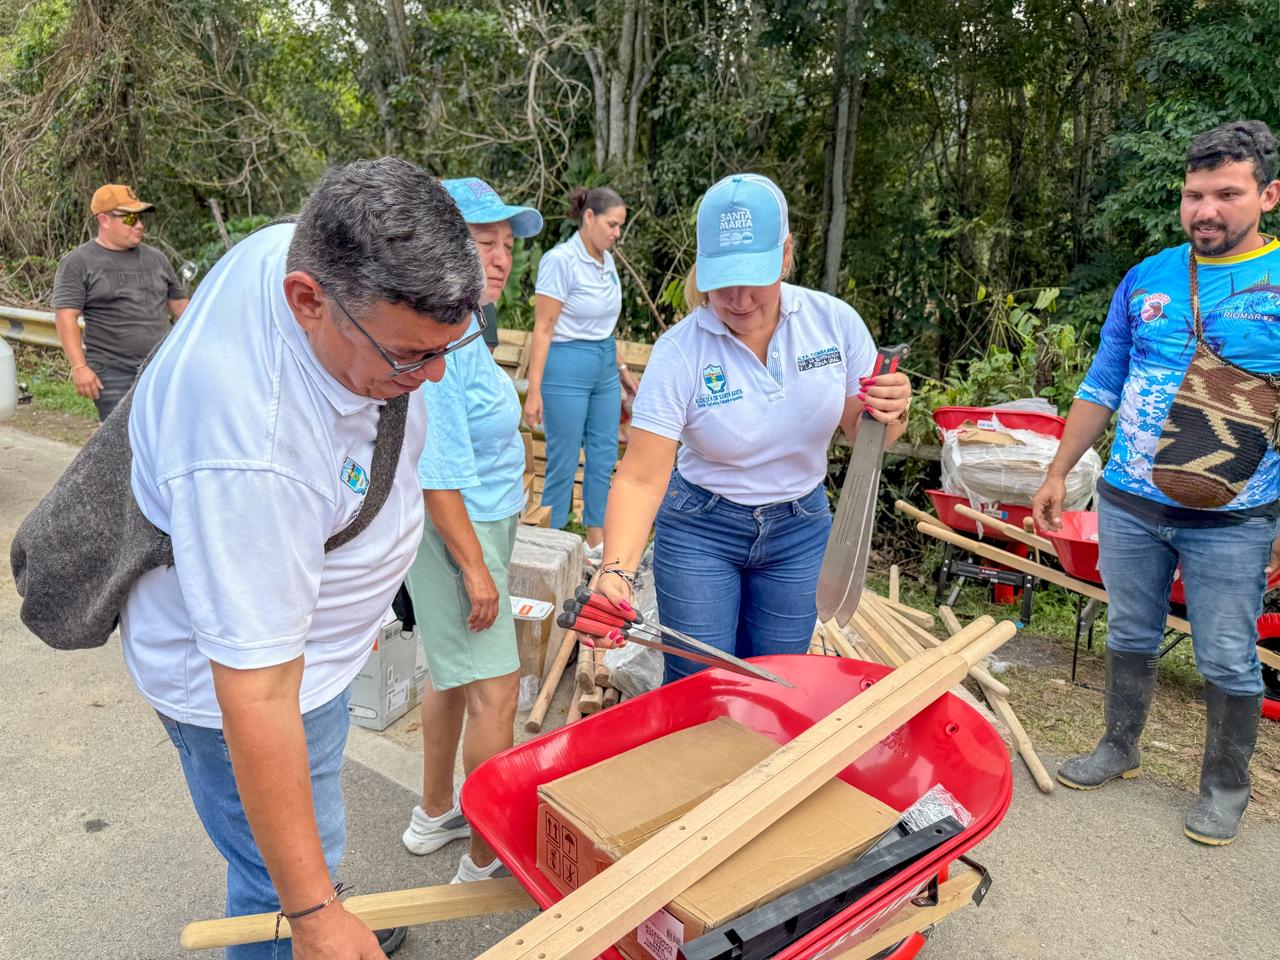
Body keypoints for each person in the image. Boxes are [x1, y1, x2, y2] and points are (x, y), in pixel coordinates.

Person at [121, 158, 483, 958]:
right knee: (273, 894)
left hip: (308, 652)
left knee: (310, 844)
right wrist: (314, 912)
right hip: (260, 684)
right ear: (307, 301)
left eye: (446, 349)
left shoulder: (311, 248)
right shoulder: (251, 449)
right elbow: (257, 691)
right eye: (408, 355)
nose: (431, 376)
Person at [1032, 120, 1280, 847]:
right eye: (1194, 194)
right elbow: (1103, 381)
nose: (1206, 210)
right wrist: (1058, 470)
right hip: (1129, 502)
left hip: (1235, 517)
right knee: (1131, 630)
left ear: (1268, 195)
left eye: (1227, 194)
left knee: (1226, 654)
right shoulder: (1148, 276)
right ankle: (1119, 747)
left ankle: (1225, 790)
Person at [593, 174, 912, 681]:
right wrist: (616, 572)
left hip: (799, 530)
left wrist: (893, 410)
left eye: (753, 278)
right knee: (699, 682)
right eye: (723, 280)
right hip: (701, 527)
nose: (739, 299)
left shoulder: (833, 324)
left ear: (785, 255)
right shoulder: (681, 351)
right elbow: (640, 477)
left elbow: (867, 434)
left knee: (774, 681)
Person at [399, 177, 542, 883]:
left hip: (478, 522)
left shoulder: (466, 319)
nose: (501, 258)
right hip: (463, 532)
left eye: (507, 244)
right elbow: (435, 472)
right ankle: (486, 856)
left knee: (453, 674)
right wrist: (476, 569)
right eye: (485, 241)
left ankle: (436, 813)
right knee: (497, 690)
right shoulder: (447, 336)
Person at [522, 185, 635, 550]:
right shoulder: (561, 260)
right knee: (564, 458)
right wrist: (534, 391)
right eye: (612, 224)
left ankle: (596, 539)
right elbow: (543, 328)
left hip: (603, 364)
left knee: (603, 455)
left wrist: (621, 368)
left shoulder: (607, 261)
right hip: (566, 364)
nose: (617, 233)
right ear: (589, 217)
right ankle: (552, 538)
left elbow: (604, 325)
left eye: (620, 226)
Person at [51, 183, 189, 420]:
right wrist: (79, 367)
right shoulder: (78, 262)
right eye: (130, 218)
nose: (139, 225)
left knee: (166, 431)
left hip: (160, 367)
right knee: (123, 438)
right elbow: (66, 317)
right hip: (113, 372)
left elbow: (182, 308)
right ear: (104, 219)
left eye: (140, 218)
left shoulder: (157, 259)